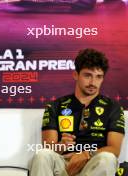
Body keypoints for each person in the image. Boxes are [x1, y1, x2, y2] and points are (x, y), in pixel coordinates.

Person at [30, 48, 125, 176]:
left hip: (93, 163)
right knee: (42, 155)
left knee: (107, 158)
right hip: (64, 164)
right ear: (76, 75)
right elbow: (49, 147)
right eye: (87, 75)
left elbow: (114, 149)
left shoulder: (113, 107)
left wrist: (86, 154)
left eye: (98, 77)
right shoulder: (55, 106)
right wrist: (61, 145)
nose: (93, 82)